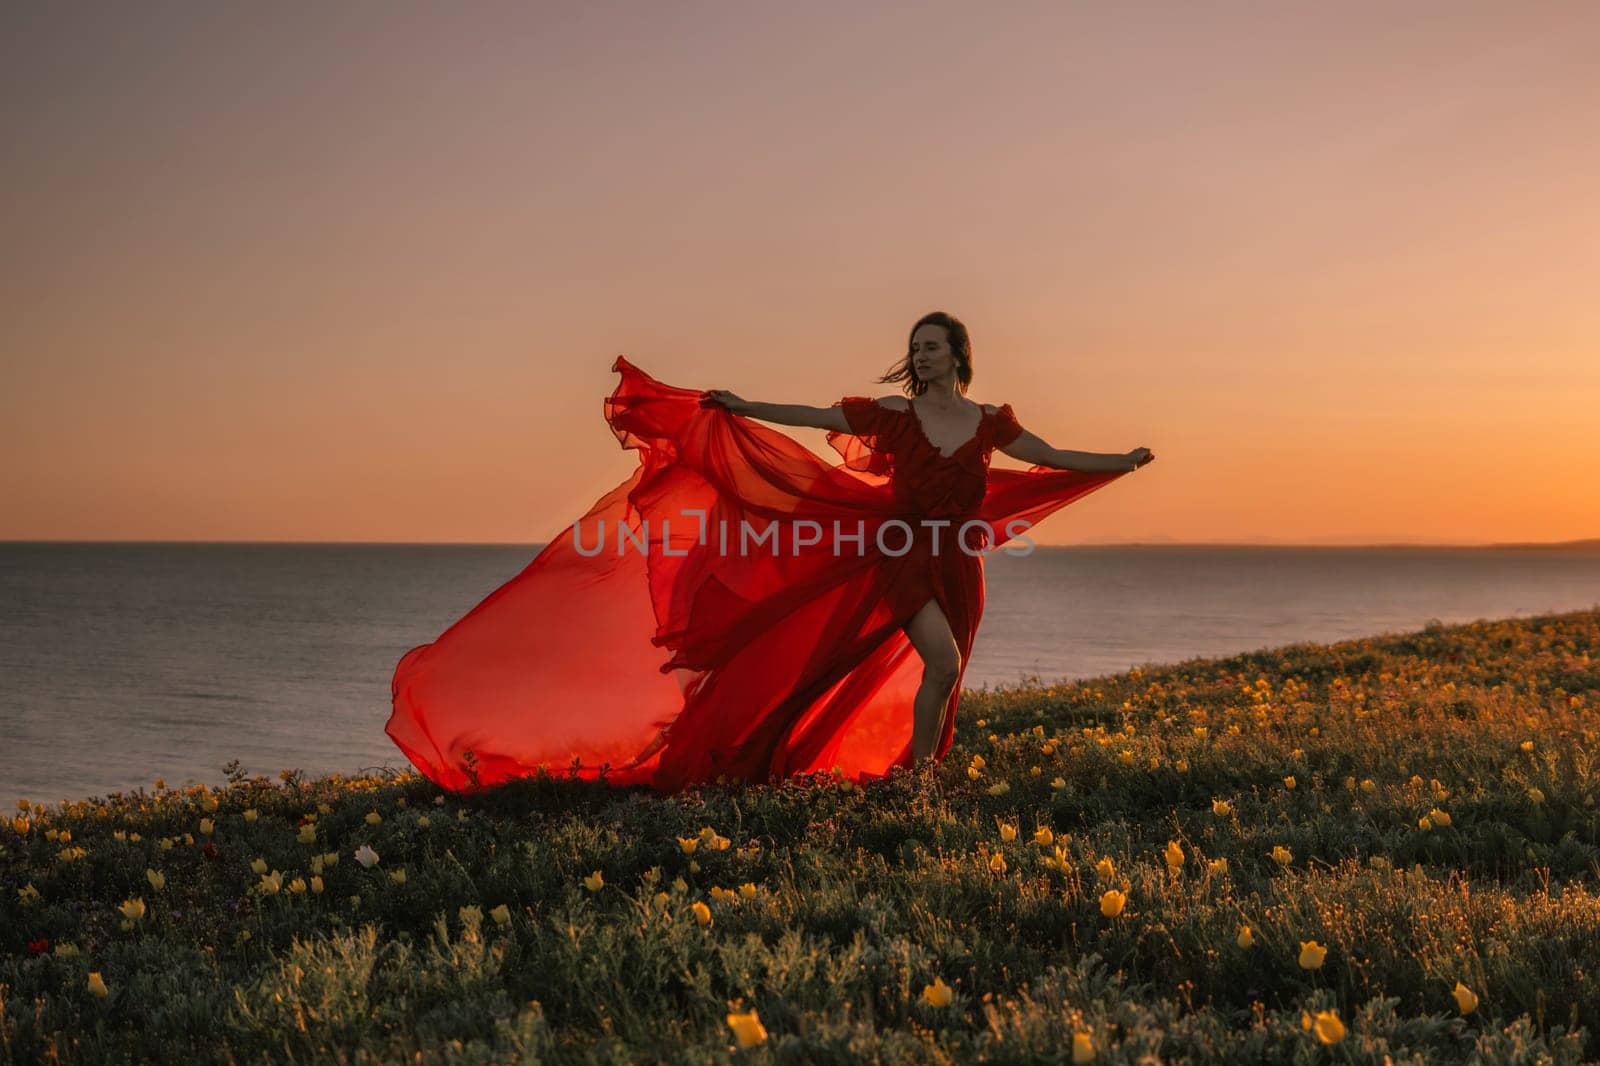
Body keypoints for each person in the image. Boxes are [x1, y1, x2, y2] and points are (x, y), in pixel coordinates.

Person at [386, 311, 1153, 794]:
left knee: (947, 668)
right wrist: (745, 405)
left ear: (959, 355)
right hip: (903, 553)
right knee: (944, 664)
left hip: (962, 559)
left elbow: (1052, 455)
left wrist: (1119, 462)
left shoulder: (990, 420)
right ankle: (921, 785)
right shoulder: (893, 415)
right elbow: (815, 412)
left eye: (932, 347)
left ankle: (920, 771)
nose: (921, 357)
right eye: (914, 348)